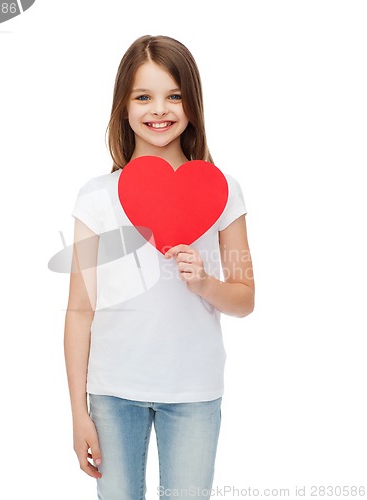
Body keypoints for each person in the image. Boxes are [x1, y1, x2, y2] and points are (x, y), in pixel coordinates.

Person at [64, 35, 255, 499]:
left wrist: (205, 281)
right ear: (123, 106)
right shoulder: (96, 196)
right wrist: (78, 413)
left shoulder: (222, 190)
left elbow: (246, 297)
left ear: (192, 102)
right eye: (143, 96)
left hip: (193, 391)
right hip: (112, 392)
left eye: (174, 95)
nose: (160, 109)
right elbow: (79, 311)